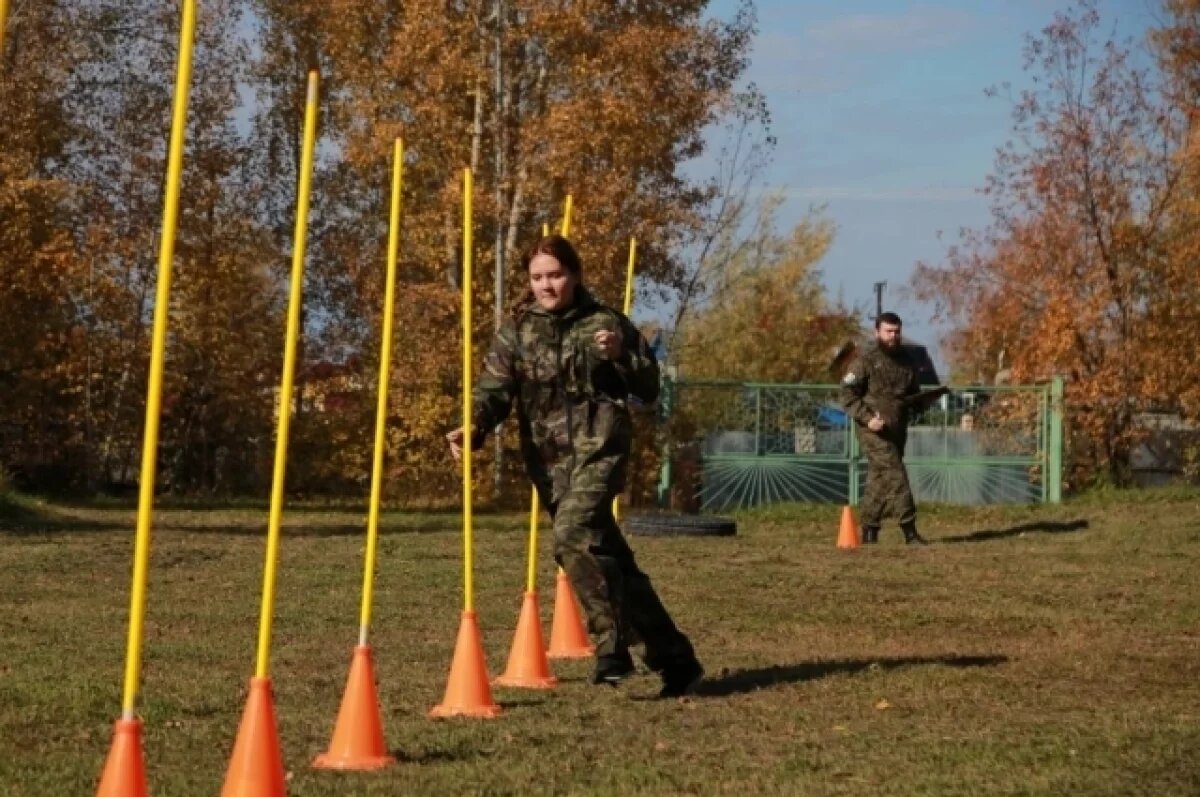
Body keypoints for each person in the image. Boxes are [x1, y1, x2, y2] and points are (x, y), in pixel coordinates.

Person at [446, 234, 704, 698]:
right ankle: (676, 660)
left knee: (570, 535)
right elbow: (493, 392)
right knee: (609, 558)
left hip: (600, 449)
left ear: (575, 275)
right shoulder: (517, 332)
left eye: (556, 274)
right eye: (538, 277)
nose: (548, 285)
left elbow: (648, 388)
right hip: (549, 465)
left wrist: (620, 356)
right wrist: (474, 426)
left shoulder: (606, 323)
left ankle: (612, 646)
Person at [840, 312, 930, 545]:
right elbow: (847, 395)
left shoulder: (907, 360)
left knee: (879, 478)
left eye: (897, 331)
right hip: (873, 430)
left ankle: (870, 530)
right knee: (896, 474)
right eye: (888, 331)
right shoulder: (865, 361)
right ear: (877, 332)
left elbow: (911, 393)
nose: (893, 336)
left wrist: (923, 402)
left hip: (898, 429)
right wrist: (867, 418)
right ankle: (909, 530)